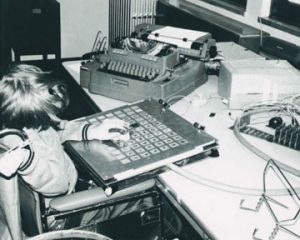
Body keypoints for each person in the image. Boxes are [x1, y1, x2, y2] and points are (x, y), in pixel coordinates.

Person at [0, 64, 152, 232]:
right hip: (64, 217)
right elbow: (59, 185)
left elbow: (59, 129)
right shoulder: (28, 151)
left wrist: (92, 130)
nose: (55, 118)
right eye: (51, 113)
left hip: (65, 196)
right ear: (35, 114)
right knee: (143, 191)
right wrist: (28, 162)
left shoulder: (23, 125)